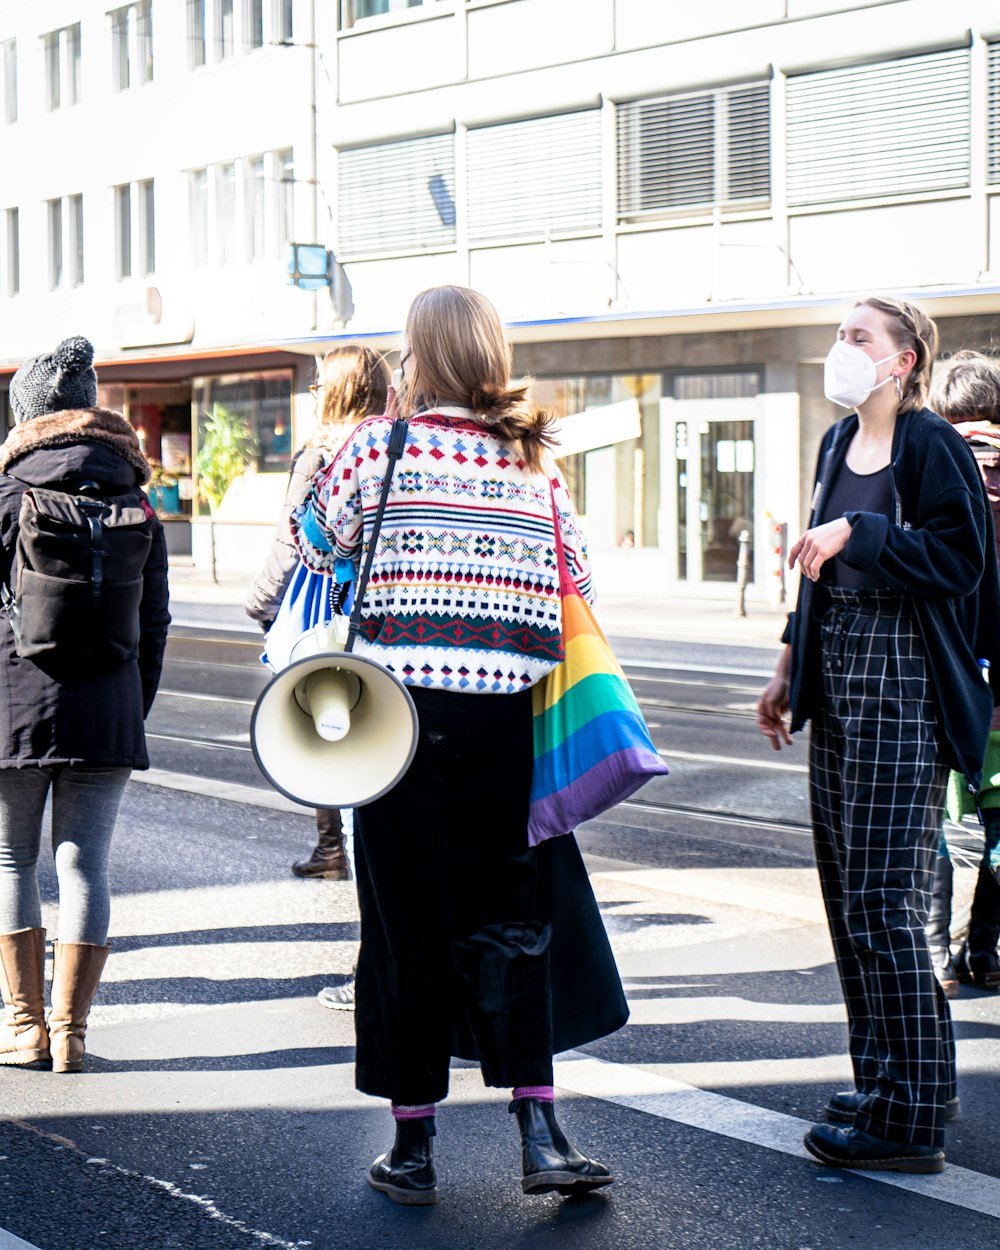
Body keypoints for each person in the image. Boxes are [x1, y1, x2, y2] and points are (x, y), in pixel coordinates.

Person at [291, 285, 627, 1205]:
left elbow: (314, 544)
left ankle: (413, 1149)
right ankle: (539, 1131)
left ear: (418, 355)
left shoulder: (376, 445)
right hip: (507, 727)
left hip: (397, 727)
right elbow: (581, 578)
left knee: (404, 933)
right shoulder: (536, 462)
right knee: (512, 925)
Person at [755, 297, 1000, 1175]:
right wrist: (788, 664)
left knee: (882, 900)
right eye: (839, 334)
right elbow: (816, 573)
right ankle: (898, 1078)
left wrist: (864, 530)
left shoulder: (931, 444)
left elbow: (963, 563)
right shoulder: (834, 444)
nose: (840, 349)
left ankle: (908, 1121)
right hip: (837, 667)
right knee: (845, 892)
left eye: (858, 337)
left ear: (903, 362)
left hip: (901, 683)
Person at [0, 336, 170, 1072]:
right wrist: (134, 703)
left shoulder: (8, 497)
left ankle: (24, 1027)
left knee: (10, 861)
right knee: (85, 868)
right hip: (109, 710)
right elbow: (156, 622)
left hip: (14, 708)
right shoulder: (138, 500)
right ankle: (72, 1034)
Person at [245, 345, 389, 884]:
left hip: (318, 602)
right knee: (368, 720)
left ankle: (336, 846)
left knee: (322, 720)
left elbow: (290, 541)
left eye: (317, 386)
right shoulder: (392, 447)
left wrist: (260, 603)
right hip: (377, 603)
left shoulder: (321, 452)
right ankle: (344, 845)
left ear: (335, 393)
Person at [925, 351, 1000, 994]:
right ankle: (984, 951)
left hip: (947, 679)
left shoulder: (936, 462)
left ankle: (937, 957)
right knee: (998, 828)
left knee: (937, 824)